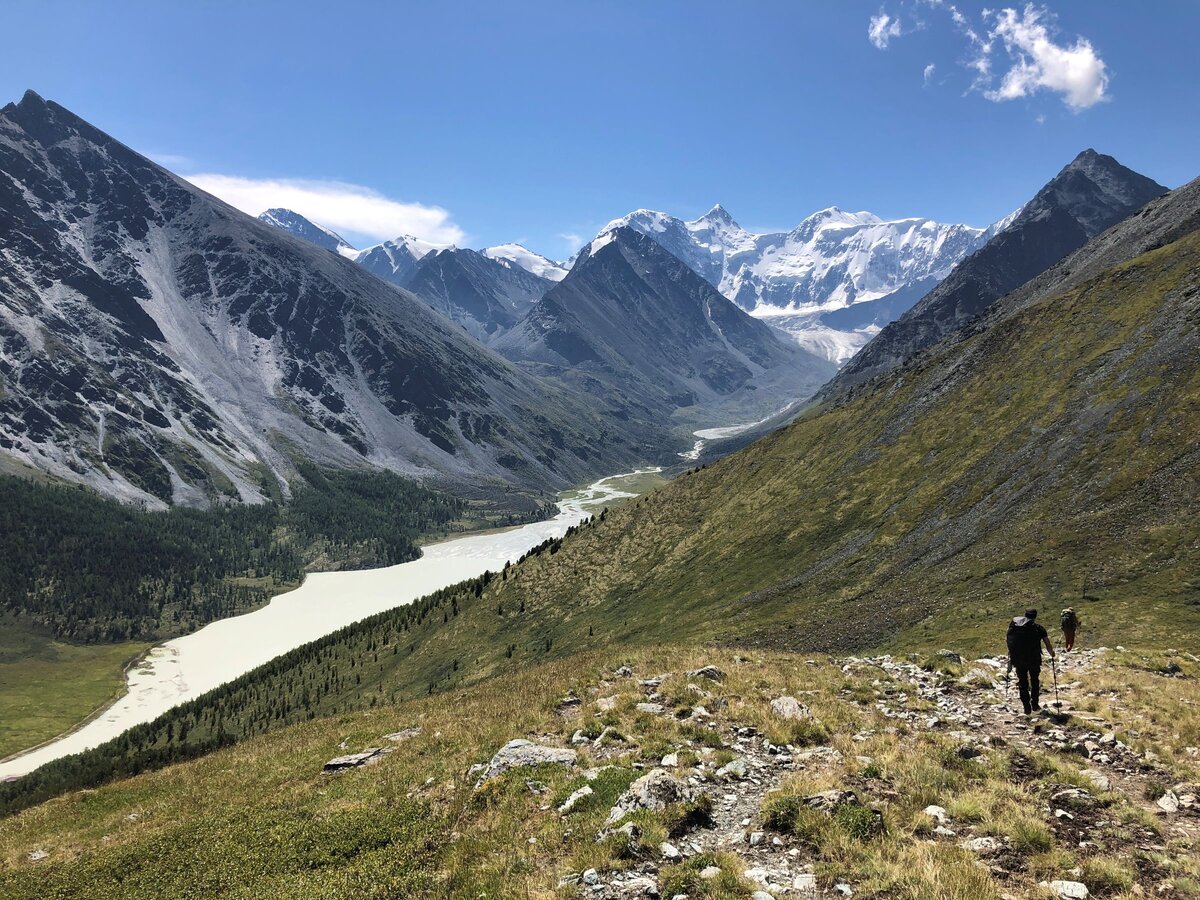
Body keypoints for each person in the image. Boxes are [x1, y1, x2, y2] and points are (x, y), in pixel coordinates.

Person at [1006, 608, 1055, 714]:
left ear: (1025, 615)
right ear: (1035, 616)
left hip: (1019, 659)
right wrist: (1052, 653)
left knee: (1022, 682)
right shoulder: (1039, 628)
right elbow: (1047, 644)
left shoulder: (1014, 627)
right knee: (1034, 681)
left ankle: (1026, 707)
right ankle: (1035, 704)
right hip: (1034, 659)